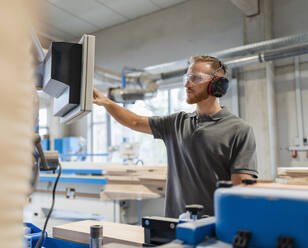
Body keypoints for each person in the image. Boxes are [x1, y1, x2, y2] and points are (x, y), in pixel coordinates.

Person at [93, 55, 258, 217]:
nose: (187, 84)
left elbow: (240, 190)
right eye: (186, 78)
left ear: (218, 85)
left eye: (195, 78)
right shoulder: (176, 123)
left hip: (213, 231)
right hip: (174, 227)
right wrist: (107, 103)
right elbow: (135, 122)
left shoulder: (239, 129)